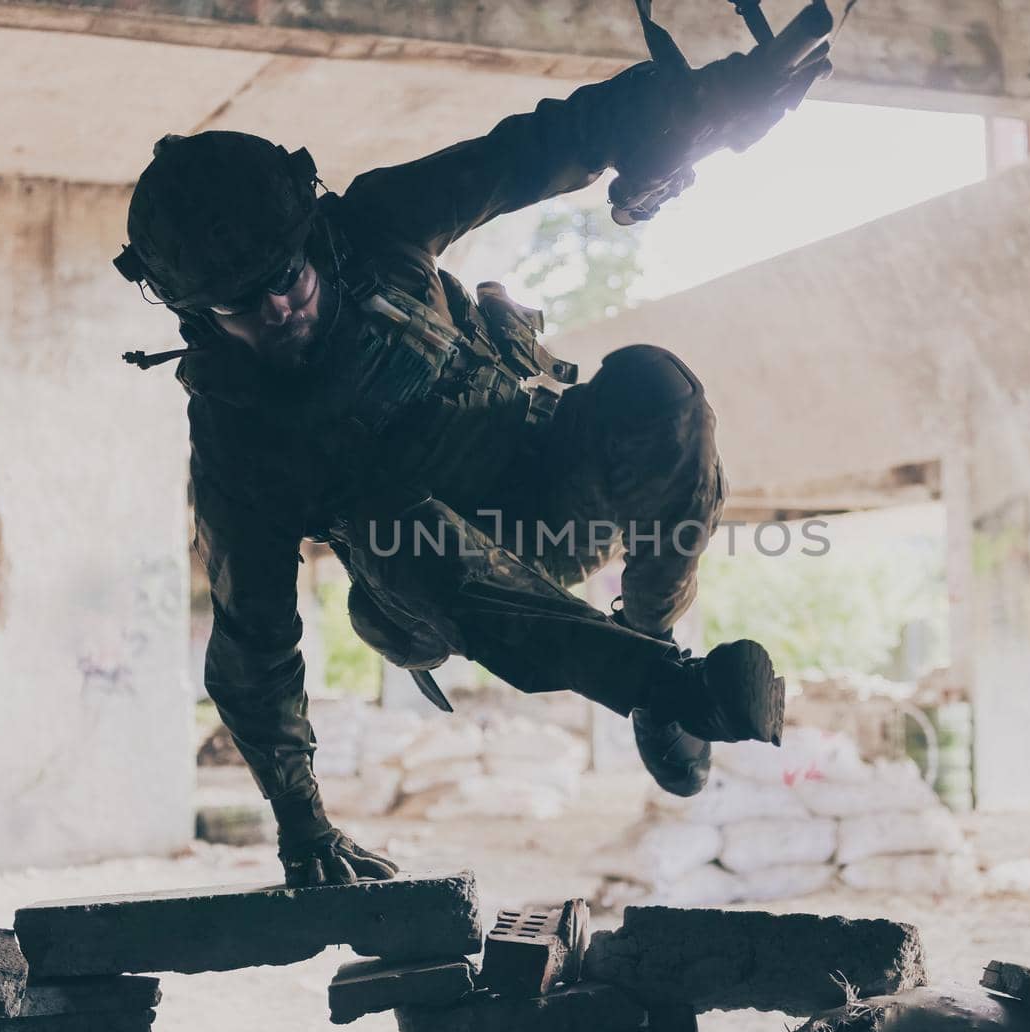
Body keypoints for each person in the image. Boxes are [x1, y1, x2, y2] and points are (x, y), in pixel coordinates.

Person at [114, 23, 829, 887]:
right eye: (239, 303)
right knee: (385, 520)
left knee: (655, 385)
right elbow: (253, 641)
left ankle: (650, 641)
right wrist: (305, 827)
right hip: (419, 584)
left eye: (285, 276)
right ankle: (672, 688)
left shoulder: (379, 225)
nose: (275, 308)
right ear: (198, 316)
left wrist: (699, 103)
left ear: (313, 237)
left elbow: (540, 146)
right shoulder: (240, 434)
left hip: (551, 489)